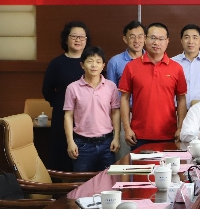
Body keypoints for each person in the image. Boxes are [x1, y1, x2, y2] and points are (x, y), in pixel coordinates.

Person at [118, 22, 187, 148]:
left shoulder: (176, 68)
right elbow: (124, 98)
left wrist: (180, 127)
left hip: (169, 134)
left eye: (161, 39)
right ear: (145, 39)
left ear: (167, 41)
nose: (156, 42)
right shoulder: (131, 67)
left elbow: (181, 98)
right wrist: (127, 128)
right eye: (153, 38)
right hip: (138, 135)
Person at [42, 21, 91, 171]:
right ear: (66, 39)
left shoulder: (91, 62)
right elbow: (47, 90)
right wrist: (60, 104)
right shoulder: (56, 63)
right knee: (62, 158)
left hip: (87, 116)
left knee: (85, 160)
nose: (78, 40)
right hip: (62, 116)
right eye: (74, 36)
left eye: (82, 37)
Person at [64, 46, 120, 172]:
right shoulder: (72, 88)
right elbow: (68, 115)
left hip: (107, 143)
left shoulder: (111, 86)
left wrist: (116, 138)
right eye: (90, 61)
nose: (94, 65)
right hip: (82, 144)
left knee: (107, 181)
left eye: (98, 62)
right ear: (82, 65)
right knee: (81, 182)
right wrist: (70, 142)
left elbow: (115, 112)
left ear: (103, 66)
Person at [106, 20, 145, 160]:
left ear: (145, 38)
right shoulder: (115, 62)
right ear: (125, 39)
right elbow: (110, 92)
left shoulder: (152, 60)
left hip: (145, 114)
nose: (137, 40)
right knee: (123, 155)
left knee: (145, 156)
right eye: (132, 36)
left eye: (140, 36)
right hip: (123, 114)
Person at [171, 24, 200, 109]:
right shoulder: (172, 62)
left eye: (195, 37)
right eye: (186, 37)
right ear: (181, 40)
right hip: (176, 110)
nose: (190, 41)